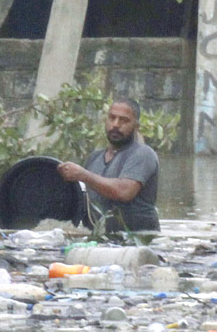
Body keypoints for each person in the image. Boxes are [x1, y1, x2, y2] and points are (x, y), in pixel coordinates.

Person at [57, 97, 160, 232]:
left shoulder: (143, 154)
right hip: (102, 240)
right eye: (112, 118)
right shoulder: (94, 159)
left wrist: (83, 175)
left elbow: (124, 192)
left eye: (123, 120)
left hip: (138, 241)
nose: (116, 125)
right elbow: (83, 207)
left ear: (136, 126)